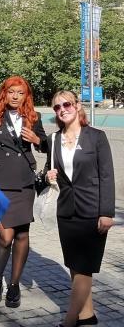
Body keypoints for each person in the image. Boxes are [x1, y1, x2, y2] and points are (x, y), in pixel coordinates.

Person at [44, 91, 115, 327]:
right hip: (66, 211)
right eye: (56, 107)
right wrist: (48, 175)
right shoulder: (54, 139)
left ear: (77, 106)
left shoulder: (96, 137)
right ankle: (87, 316)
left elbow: (107, 176)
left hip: (92, 211)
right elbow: (50, 171)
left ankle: (69, 321)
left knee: (85, 269)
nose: (62, 109)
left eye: (66, 104)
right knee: (75, 266)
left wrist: (107, 213)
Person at [0, 76, 47, 308]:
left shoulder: (32, 117)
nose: (15, 96)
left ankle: (14, 284)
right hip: (0, 182)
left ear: (26, 95)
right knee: (5, 237)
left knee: (22, 235)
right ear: (4, 94)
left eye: (20, 92)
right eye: (11, 92)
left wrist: (37, 139)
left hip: (24, 181)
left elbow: (47, 145)